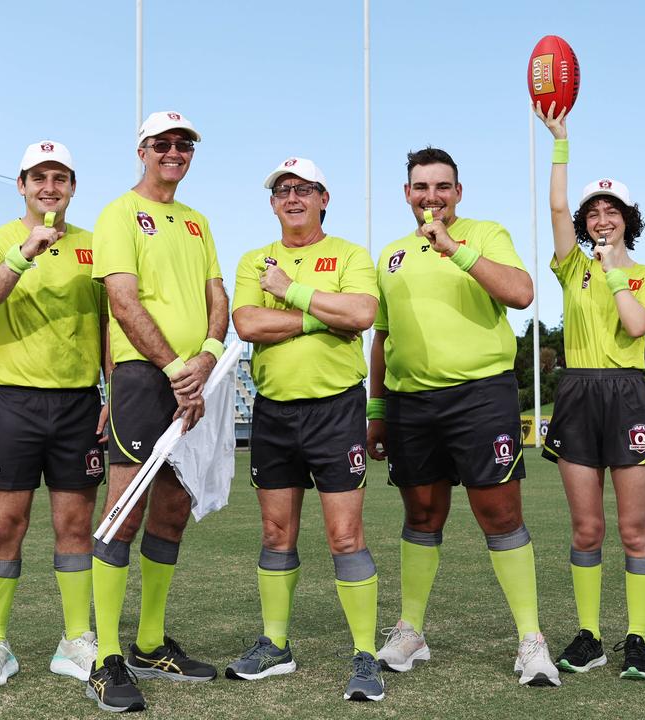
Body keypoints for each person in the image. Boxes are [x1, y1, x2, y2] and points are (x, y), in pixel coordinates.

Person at [367, 146, 561, 687]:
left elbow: (522, 293)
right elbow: (380, 337)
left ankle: (531, 639)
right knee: (422, 515)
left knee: (499, 515)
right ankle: (411, 631)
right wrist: (377, 410)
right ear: (407, 194)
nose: (432, 197)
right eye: (421, 187)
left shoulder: (486, 234)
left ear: (459, 192)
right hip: (410, 404)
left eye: (442, 187)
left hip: (481, 395)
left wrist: (454, 249)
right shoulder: (389, 256)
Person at [84, 111, 229, 713]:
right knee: (124, 512)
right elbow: (122, 298)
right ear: (142, 149)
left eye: (183, 144)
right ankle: (106, 656)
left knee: (172, 509)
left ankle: (148, 643)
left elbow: (217, 297)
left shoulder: (197, 221)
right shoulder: (118, 213)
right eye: (163, 143)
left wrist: (208, 357)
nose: (174, 152)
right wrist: (175, 369)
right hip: (149, 379)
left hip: (198, 378)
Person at [225, 158, 383, 701]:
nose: (292, 197)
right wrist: (322, 314)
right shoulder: (254, 259)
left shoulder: (349, 254)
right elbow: (247, 324)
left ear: (323, 197)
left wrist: (290, 292)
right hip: (273, 410)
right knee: (275, 534)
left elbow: (362, 312)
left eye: (304, 189)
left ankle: (365, 653)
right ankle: (275, 645)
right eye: (282, 190)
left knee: (345, 537)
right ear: (273, 203)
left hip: (336, 409)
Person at [0, 140, 107, 688]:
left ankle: (75, 641)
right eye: (39, 177)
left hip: (77, 403)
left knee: (74, 525)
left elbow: (112, 322)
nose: (50, 187)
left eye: (61, 178)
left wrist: (112, 391)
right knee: (4, 526)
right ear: (21, 185)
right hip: (12, 400)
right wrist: (24, 253)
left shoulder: (97, 245)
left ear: (72, 187)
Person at [536, 102, 645, 681]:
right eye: (595, 211)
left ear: (627, 219)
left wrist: (615, 269)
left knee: (634, 529)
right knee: (586, 528)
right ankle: (588, 636)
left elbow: (637, 326)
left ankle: (637, 639)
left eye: (612, 210)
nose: (601, 217)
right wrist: (560, 143)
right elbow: (557, 205)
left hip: (629, 392)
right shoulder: (570, 267)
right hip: (578, 391)